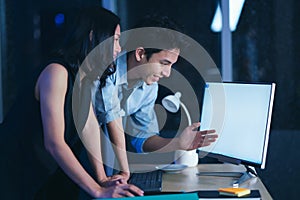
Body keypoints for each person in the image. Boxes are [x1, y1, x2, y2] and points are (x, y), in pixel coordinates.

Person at [34, 6, 143, 199]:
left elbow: (90, 127)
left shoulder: (84, 78)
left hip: (47, 175)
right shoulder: (57, 72)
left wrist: (102, 179)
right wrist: (98, 191)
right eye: (116, 40)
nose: (119, 48)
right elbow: (53, 143)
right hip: (20, 173)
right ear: (93, 36)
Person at [94, 15, 218, 158]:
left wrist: (178, 143)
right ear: (140, 53)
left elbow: (142, 138)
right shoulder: (105, 72)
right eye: (164, 63)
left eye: (171, 65)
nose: (167, 73)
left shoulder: (149, 87)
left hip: (107, 164)